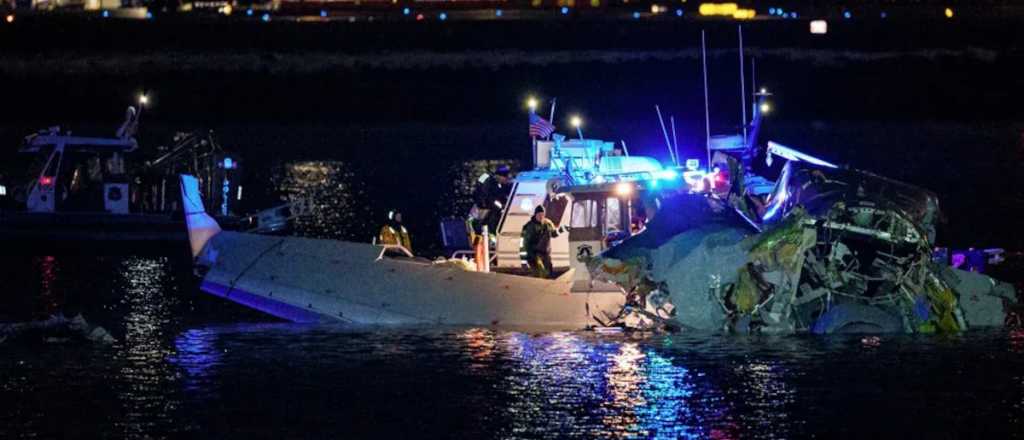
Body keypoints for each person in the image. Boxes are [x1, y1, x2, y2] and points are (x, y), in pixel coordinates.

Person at [521, 205, 565, 278]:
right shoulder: (528, 227)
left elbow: (554, 234)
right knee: (540, 272)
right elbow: (523, 245)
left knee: (549, 274)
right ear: (535, 215)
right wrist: (523, 261)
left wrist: (562, 229)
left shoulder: (548, 223)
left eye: (542, 215)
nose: (541, 217)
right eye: (539, 215)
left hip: (545, 254)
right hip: (533, 255)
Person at [472, 165, 513, 236]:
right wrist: (502, 207)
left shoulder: (497, 184)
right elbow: (490, 198)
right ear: (500, 176)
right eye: (505, 178)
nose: (506, 180)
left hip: (485, 207)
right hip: (485, 208)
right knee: (485, 223)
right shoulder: (490, 183)